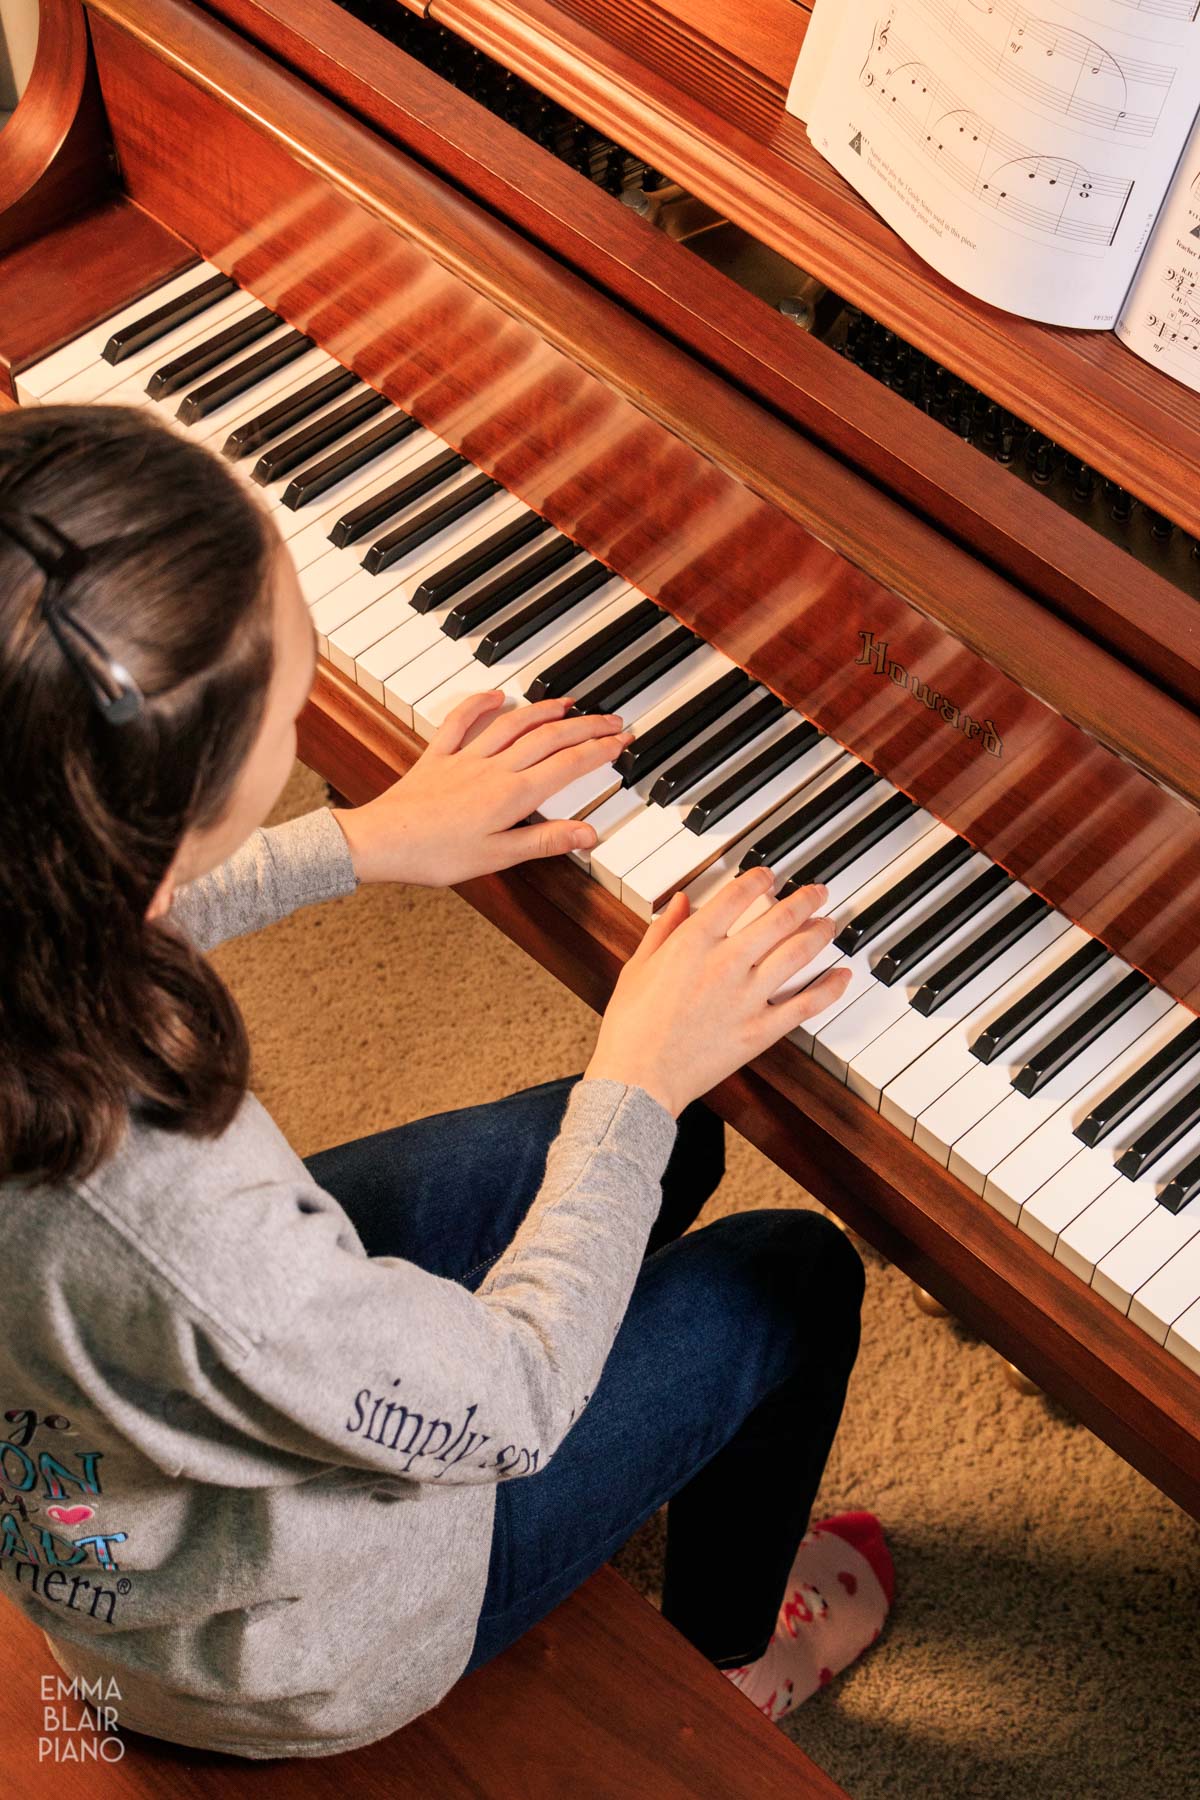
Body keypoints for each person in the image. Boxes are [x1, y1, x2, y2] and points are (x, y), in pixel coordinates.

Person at [0, 404, 892, 1761]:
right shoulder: (176, 1222)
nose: (304, 716)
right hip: (280, 1641)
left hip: (120, 1423)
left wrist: (355, 840)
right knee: (791, 1274)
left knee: (644, 1153)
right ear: (167, 807)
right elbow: (511, 1401)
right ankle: (735, 1653)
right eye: (294, 705)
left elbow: (99, 908)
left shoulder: (36, 898)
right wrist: (636, 1078)